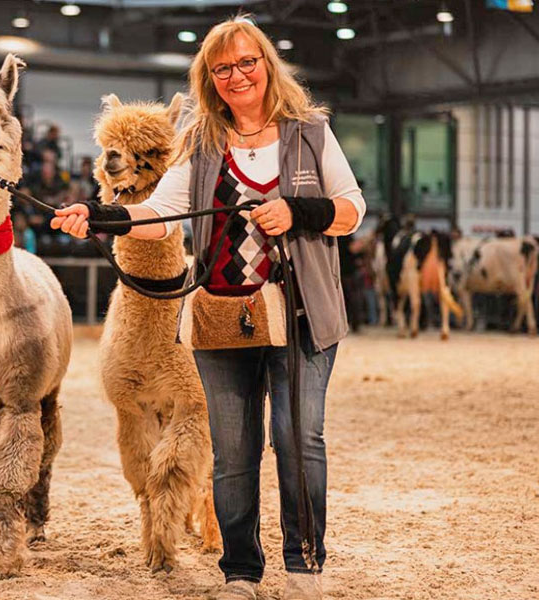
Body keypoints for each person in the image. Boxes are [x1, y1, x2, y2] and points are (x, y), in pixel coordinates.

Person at [51, 15, 365, 600]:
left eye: (248, 62)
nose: (237, 75)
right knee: (233, 450)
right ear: (209, 78)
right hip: (221, 312)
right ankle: (241, 571)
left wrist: (301, 212)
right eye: (223, 68)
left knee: (299, 441)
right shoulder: (200, 144)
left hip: (301, 315)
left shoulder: (310, 132)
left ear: (267, 65)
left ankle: (304, 566)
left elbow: (351, 208)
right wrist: (98, 216)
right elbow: (158, 214)